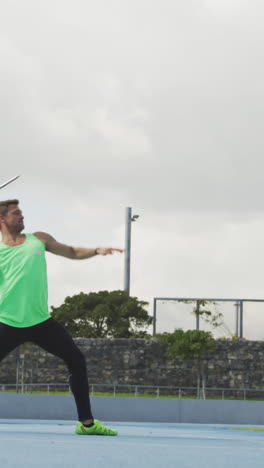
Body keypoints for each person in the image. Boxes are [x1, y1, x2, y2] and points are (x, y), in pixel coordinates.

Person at [0, 199, 124, 436]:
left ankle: (86, 424)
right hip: (7, 321)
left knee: (76, 361)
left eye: (22, 212)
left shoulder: (39, 239)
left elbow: (73, 252)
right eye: (17, 214)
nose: (23, 216)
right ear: (2, 219)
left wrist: (96, 250)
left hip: (41, 322)